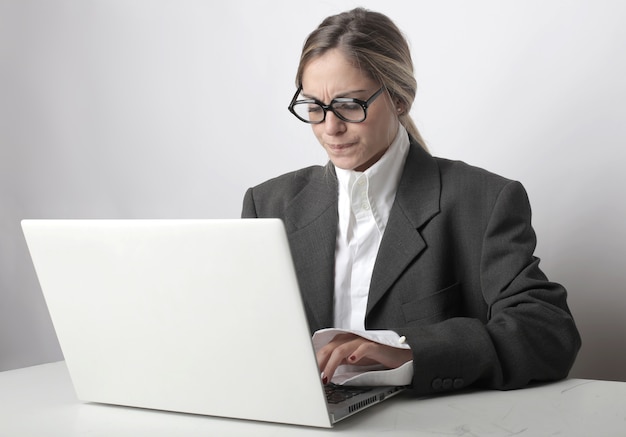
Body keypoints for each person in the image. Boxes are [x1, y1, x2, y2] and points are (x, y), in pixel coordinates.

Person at [242, 7, 580, 395]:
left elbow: (548, 332)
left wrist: (406, 351)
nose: (330, 127)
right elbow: (244, 332)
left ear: (400, 98)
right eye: (315, 107)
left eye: (350, 105)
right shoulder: (267, 205)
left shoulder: (482, 201)